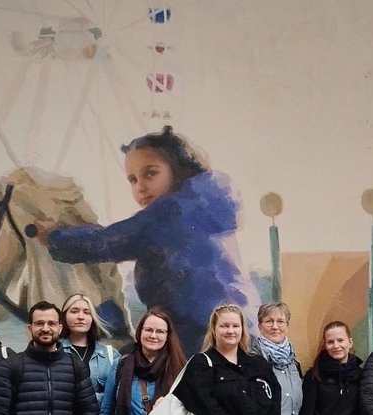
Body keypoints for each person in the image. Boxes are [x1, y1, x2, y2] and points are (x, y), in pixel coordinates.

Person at [44, 126, 257, 352]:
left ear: (177, 169)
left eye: (150, 173)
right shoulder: (205, 205)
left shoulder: (173, 212)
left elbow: (107, 242)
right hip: (240, 330)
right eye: (132, 180)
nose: (140, 187)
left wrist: (52, 237)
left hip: (202, 338)